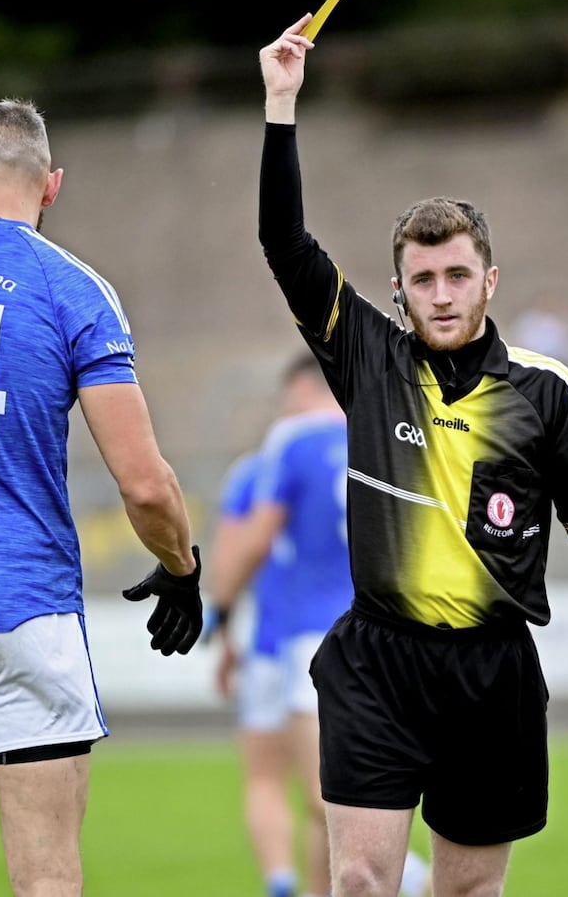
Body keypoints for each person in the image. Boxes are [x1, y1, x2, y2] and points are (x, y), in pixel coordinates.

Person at [255, 17, 568, 897]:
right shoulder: (367, 355)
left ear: (490, 280)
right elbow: (286, 247)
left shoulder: (546, 391)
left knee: (469, 891)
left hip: (493, 671)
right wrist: (281, 105)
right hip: (377, 659)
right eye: (422, 278)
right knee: (361, 881)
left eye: (456, 275)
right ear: (398, 286)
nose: (440, 294)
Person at [0, 99, 203, 897]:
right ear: (52, 187)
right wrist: (181, 563)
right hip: (22, 607)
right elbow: (143, 483)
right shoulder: (73, 289)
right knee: (45, 876)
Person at [207, 353, 353, 897]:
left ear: (302, 390)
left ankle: (288, 881)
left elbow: (238, 548)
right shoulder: (383, 437)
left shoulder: (274, 453)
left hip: (288, 637)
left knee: (288, 782)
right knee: (332, 784)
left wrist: (221, 622)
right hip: (360, 632)